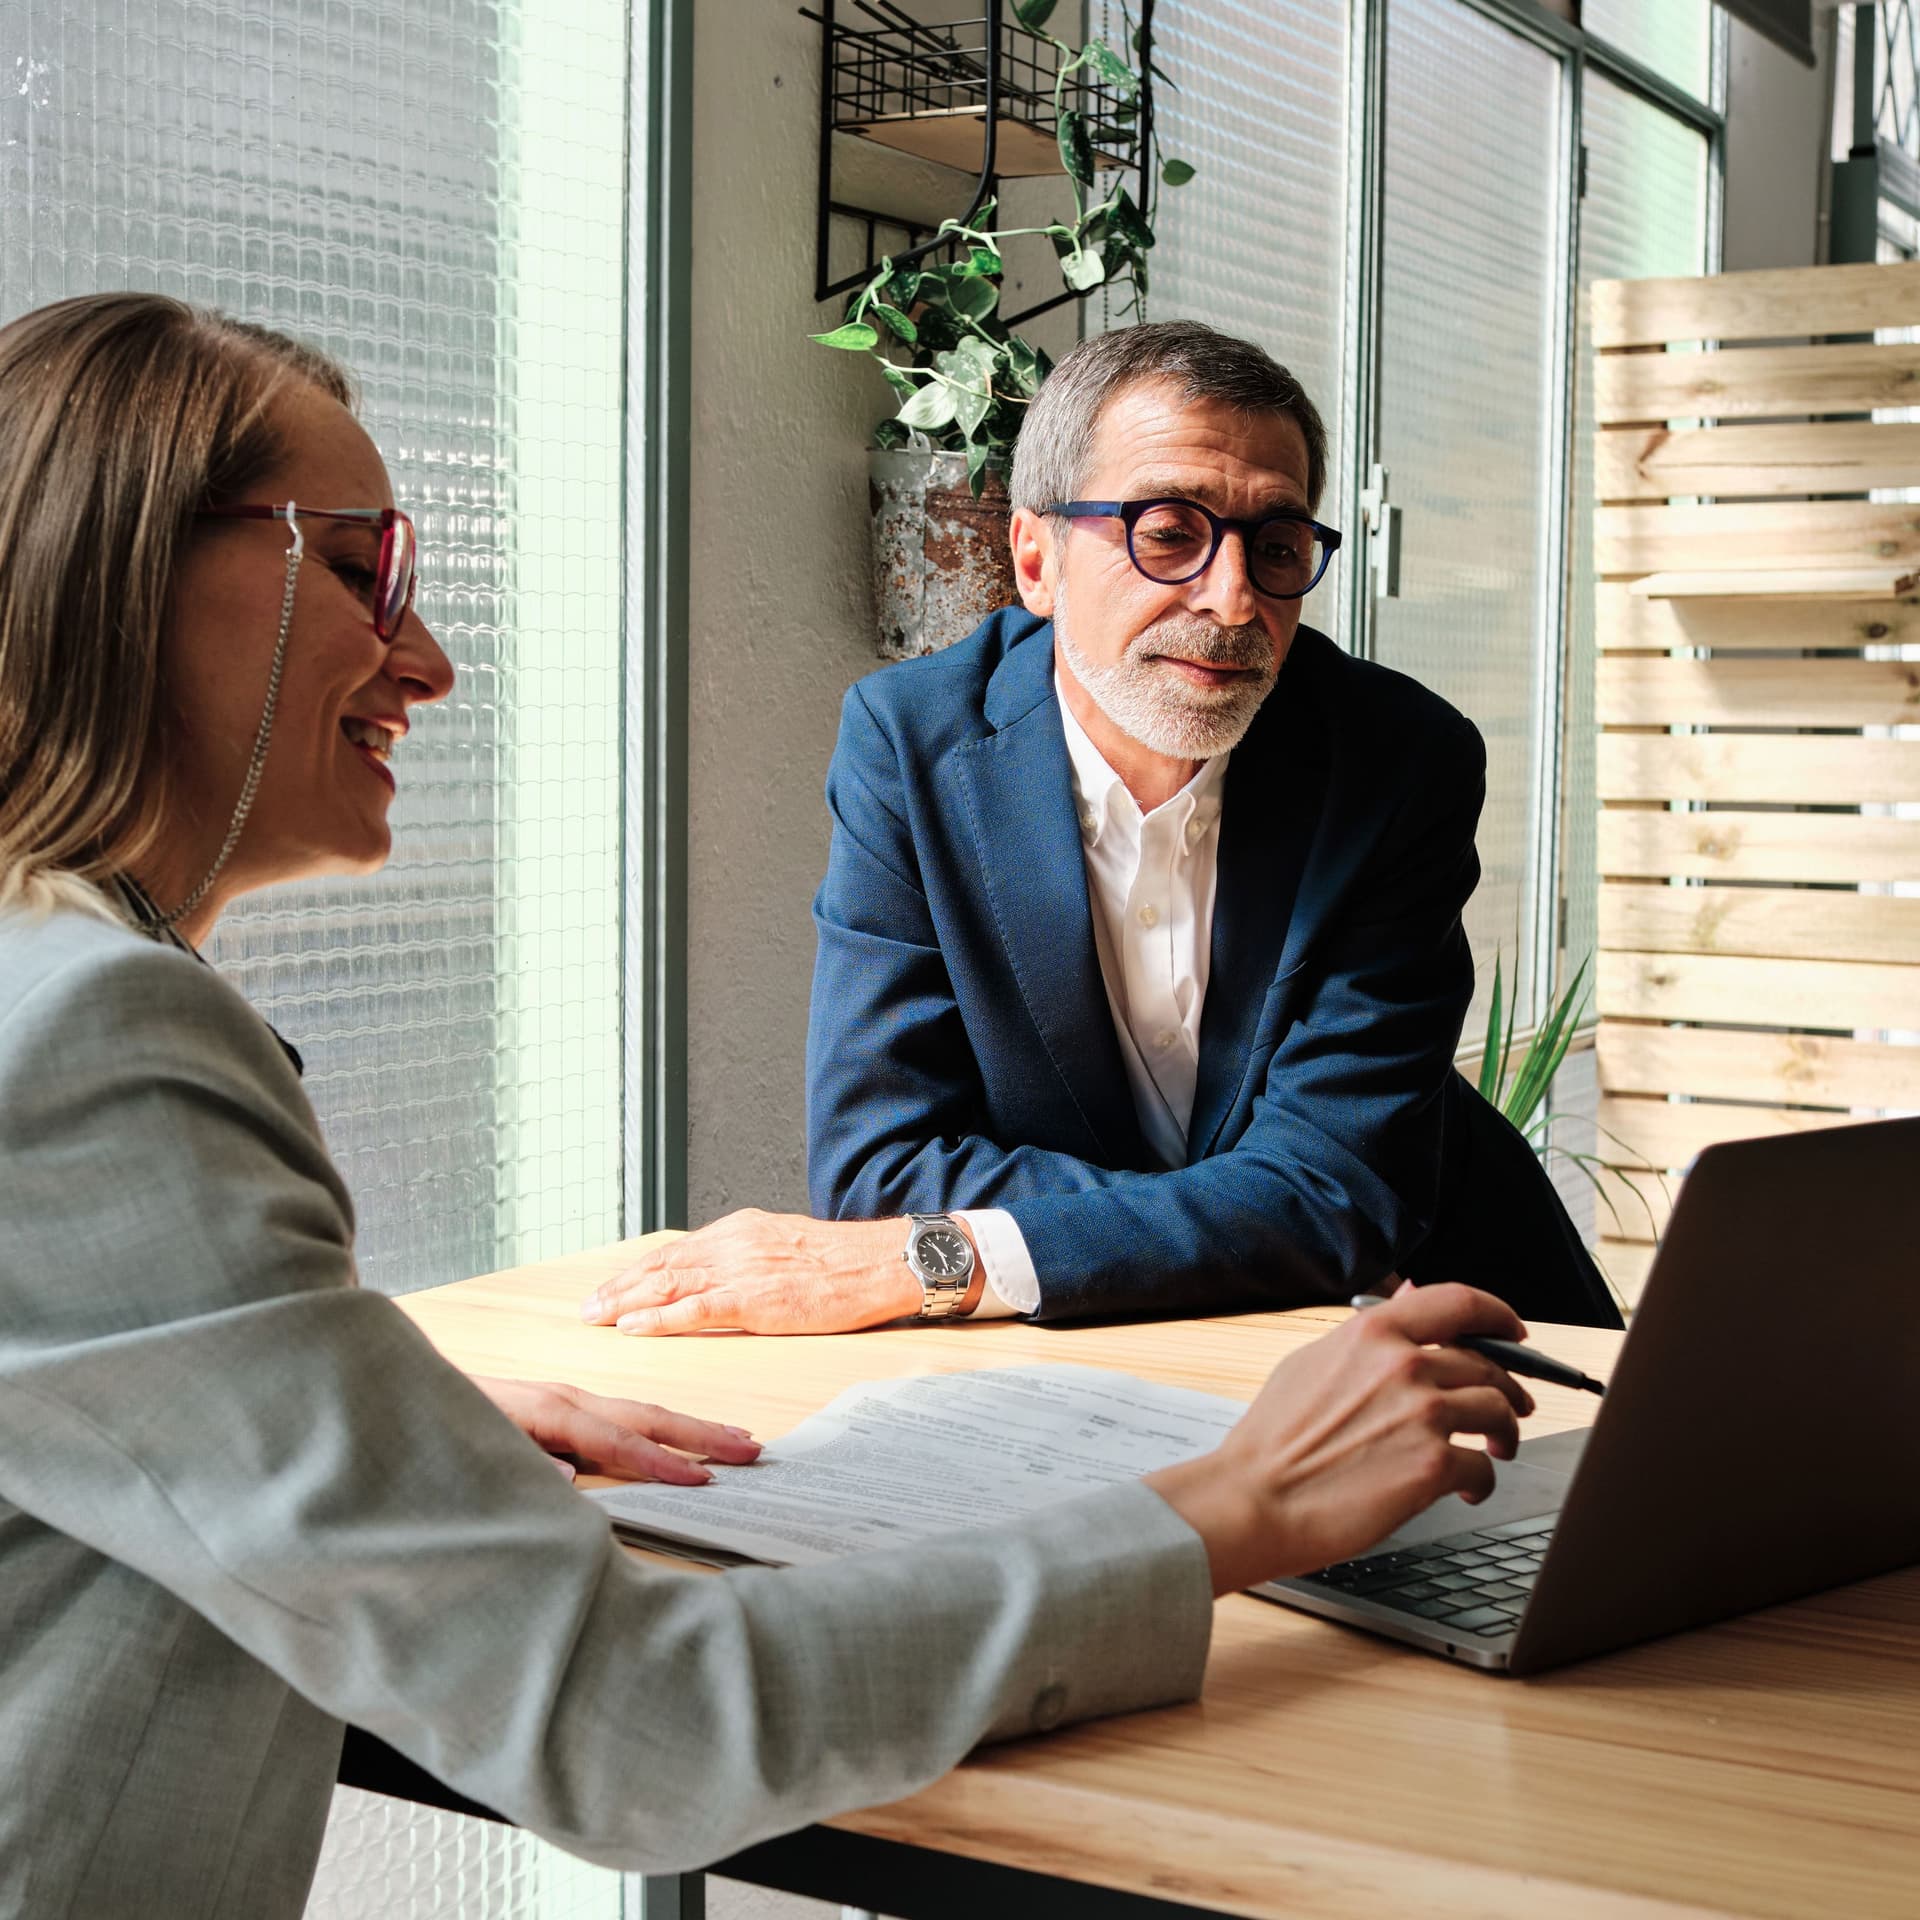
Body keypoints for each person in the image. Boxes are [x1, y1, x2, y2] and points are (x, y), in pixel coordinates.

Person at [0, 292, 1539, 1915]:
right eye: (368, 567)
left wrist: (361, 1418)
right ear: (126, 574)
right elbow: (634, 1719)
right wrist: (1237, 1507)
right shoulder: (97, 1036)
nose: (434, 661)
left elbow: (1327, 1188)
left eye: (1276, 543)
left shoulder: (54, 985)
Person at [582, 322, 1613, 1339]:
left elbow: (1337, 1190)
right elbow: (878, 1164)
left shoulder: (1400, 763)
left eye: (1279, 544)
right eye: (1170, 531)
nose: (1233, 596)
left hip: (1437, 1321)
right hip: (1102, 1347)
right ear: (1034, 559)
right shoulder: (911, 749)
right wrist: (1240, 1215)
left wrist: (952, 1252)